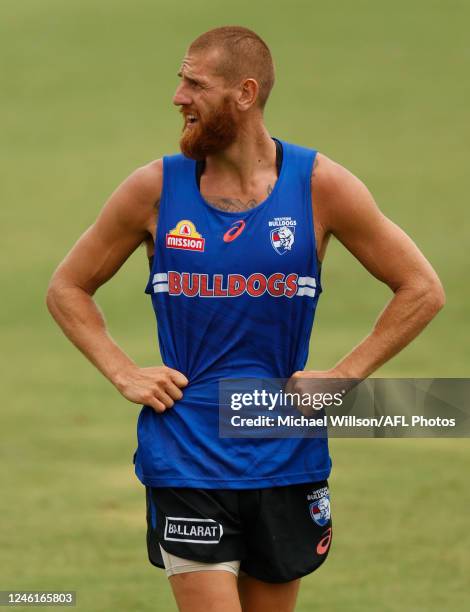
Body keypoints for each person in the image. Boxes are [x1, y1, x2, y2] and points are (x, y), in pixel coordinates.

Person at [46, 25, 445, 612]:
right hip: (186, 454)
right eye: (180, 81)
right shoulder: (154, 189)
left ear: (245, 93)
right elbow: (67, 288)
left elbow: (421, 289)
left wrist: (343, 378)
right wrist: (122, 371)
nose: (178, 96)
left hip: (285, 452)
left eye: (194, 83)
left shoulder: (319, 186)